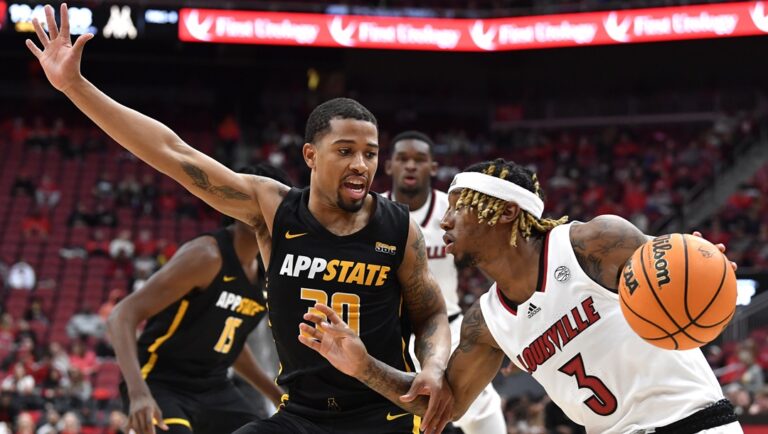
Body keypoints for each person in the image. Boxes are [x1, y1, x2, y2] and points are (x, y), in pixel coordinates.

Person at [27, 7, 450, 434]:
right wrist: (75, 87)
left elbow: (431, 313)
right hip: (302, 417)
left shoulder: (398, 227)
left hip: (385, 415)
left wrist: (432, 365)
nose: (361, 164)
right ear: (310, 155)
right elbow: (175, 153)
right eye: (345, 151)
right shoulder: (274, 210)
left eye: (370, 153)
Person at [299, 159, 743, 433]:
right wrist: (364, 367)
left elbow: (681, 264)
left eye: (460, 207)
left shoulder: (592, 243)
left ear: (508, 211)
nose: (446, 221)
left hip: (694, 422)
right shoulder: (487, 323)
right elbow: (439, 410)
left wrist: (707, 269)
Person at [108, 165, 287, 434]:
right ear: (232, 204)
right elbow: (121, 315)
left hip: (213, 386)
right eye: (256, 197)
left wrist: (276, 394)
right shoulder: (207, 257)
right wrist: (138, 393)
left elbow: (231, 343)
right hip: (160, 380)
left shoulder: (268, 272)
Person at [384, 131, 506, 434]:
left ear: (433, 168)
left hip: (445, 324)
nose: (411, 166)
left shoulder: (452, 212)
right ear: (389, 167)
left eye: (419, 159)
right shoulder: (374, 213)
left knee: (482, 405)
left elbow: (488, 261)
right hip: (391, 330)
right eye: (403, 159)